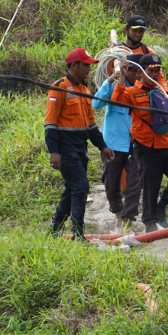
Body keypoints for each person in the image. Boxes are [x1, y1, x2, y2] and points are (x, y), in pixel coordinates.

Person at [112, 53, 168, 232]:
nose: (155, 74)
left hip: (165, 145)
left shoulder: (161, 91)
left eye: (158, 70)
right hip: (146, 147)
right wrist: (123, 77)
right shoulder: (132, 92)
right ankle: (150, 223)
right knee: (150, 185)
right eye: (151, 70)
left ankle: (161, 205)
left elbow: (167, 118)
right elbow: (117, 100)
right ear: (141, 72)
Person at [46, 48, 115, 240]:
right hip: (65, 149)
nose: (89, 69)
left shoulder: (85, 89)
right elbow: (50, 123)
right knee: (81, 187)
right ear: (74, 65)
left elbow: (91, 125)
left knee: (72, 189)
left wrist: (103, 146)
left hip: (79, 148)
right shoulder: (59, 87)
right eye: (86, 65)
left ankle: (54, 229)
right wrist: (53, 152)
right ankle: (78, 234)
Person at [92, 52, 144, 231]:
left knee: (135, 182)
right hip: (113, 144)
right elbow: (96, 104)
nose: (137, 74)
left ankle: (129, 218)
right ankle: (118, 213)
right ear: (125, 70)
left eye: (139, 71)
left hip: (135, 143)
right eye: (133, 71)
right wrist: (111, 80)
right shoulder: (114, 86)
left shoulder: (141, 88)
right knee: (111, 183)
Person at [110, 15, 168, 91]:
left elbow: (159, 76)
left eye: (141, 31)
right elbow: (107, 75)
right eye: (134, 31)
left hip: (143, 93)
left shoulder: (147, 52)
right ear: (126, 30)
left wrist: (166, 93)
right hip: (119, 91)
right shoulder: (116, 51)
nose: (138, 34)